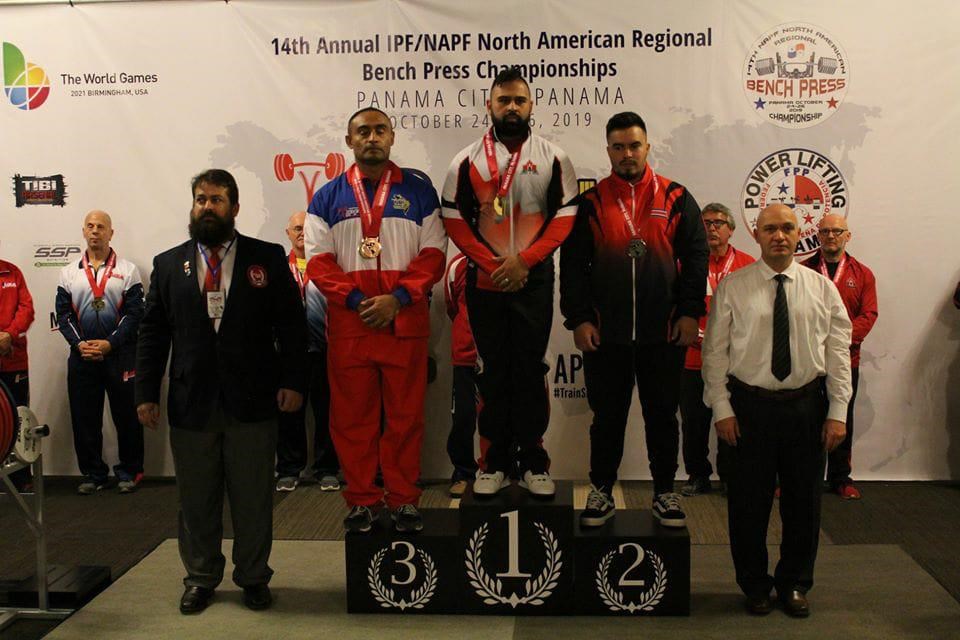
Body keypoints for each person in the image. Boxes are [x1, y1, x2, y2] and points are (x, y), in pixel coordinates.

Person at [136, 169, 306, 614]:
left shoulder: (265, 258)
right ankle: (200, 577)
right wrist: (145, 392)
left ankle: (253, 576)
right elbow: (152, 333)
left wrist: (293, 380)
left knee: (252, 496)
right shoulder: (169, 263)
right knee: (196, 499)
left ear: (234, 207)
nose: (206, 207)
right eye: (200, 199)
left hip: (252, 400)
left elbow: (290, 325)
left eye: (216, 200)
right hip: (192, 403)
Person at [702, 203, 852, 617]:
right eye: (771, 228)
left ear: (799, 232)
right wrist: (721, 408)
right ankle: (754, 585)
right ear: (756, 233)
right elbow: (714, 352)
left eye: (787, 227)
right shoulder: (734, 286)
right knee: (747, 505)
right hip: (748, 409)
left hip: (806, 406)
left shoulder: (822, 288)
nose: (780, 236)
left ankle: (794, 583)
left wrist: (838, 409)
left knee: (804, 505)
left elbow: (838, 351)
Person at [559, 111, 707, 528]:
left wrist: (690, 312)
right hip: (606, 334)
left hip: (664, 332)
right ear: (608, 150)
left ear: (648, 146)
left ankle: (664, 492)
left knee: (663, 415)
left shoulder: (676, 196)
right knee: (607, 418)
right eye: (619, 146)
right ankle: (602, 490)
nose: (627, 154)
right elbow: (572, 266)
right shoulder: (589, 202)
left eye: (634, 145)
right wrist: (580, 319)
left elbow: (696, 258)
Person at [305, 108, 445, 533]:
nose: (371, 138)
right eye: (362, 131)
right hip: (352, 327)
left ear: (392, 137)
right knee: (352, 420)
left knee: (405, 418)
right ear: (349, 141)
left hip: (403, 324)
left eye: (379, 130)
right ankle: (363, 498)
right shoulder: (326, 197)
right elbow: (318, 262)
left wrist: (398, 299)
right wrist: (357, 299)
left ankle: (403, 498)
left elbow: (434, 255)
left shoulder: (420, 193)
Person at [442, 67, 578, 498]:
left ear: (531, 104)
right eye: (504, 101)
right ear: (490, 106)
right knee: (493, 372)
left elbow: (566, 216)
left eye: (519, 100)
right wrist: (491, 263)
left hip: (533, 280)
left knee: (529, 370)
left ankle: (534, 460)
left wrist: (526, 261)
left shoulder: (554, 157)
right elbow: (453, 219)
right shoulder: (465, 161)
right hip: (485, 281)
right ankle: (495, 461)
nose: (512, 107)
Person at [56, 211, 144, 494]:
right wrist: (80, 344)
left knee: (127, 416)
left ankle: (130, 471)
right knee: (84, 418)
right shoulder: (68, 272)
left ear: (111, 233)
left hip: (119, 355)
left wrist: (110, 344)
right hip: (82, 356)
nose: (95, 231)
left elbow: (134, 315)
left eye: (101, 227)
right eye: (90, 227)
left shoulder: (129, 271)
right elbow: (63, 314)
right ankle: (94, 474)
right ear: (83, 231)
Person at [680, 203, 754, 497]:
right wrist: (700, 334)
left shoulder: (747, 264)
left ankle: (730, 475)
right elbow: (676, 305)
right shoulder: (686, 263)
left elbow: (755, 312)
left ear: (731, 229)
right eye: (706, 222)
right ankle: (698, 475)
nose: (711, 227)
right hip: (692, 360)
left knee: (732, 421)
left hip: (734, 362)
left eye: (718, 222)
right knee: (694, 424)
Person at [801, 214, 877, 500]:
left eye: (837, 231)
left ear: (848, 235)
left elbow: (868, 315)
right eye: (825, 231)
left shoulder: (863, 274)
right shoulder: (804, 271)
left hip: (846, 361)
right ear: (817, 236)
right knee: (806, 420)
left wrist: (836, 342)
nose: (831, 236)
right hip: (809, 361)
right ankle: (800, 475)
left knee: (842, 418)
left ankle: (839, 478)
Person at [274, 211, 340, 492]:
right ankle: (289, 468)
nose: (302, 233)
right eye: (297, 228)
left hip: (324, 350)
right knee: (289, 412)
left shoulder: (327, 268)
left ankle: (327, 468)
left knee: (327, 412)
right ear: (287, 233)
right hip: (288, 354)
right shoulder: (277, 270)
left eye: (306, 229)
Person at [444, 251, 479, 497]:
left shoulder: (508, 259)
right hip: (466, 356)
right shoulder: (457, 265)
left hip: (500, 357)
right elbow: (451, 306)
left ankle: (504, 470)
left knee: (501, 417)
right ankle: (463, 472)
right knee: (463, 418)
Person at [0, 256, 35, 492]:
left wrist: (9, 335)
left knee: (17, 417)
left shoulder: (12, 272)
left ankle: (20, 477)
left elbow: (26, 309)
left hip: (12, 361)